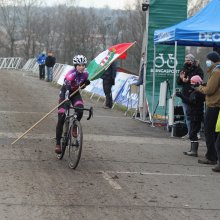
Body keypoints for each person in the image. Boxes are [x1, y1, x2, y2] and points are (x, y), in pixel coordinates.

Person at [55, 55, 90, 154]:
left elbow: (81, 86)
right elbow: (67, 90)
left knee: (80, 109)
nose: (82, 67)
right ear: (75, 65)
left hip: (75, 94)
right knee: (61, 117)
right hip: (65, 93)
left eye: (83, 65)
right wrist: (66, 100)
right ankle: (58, 143)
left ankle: (75, 125)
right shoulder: (70, 74)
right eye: (79, 65)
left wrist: (85, 84)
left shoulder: (85, 74)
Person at [196, 51, 220, 165]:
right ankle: (214, 155)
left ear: (212, 60)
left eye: (208, 59)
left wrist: (199, 88)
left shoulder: (216, 72)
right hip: (215, 104)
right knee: (213, 132)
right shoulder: (216, 71)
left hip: (214, 104)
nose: (207, 62)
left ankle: (211, 157)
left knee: (209, 131)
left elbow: (210, 90)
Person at [176, 75, 205, 157]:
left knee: (193, 133)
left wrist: (181, 96)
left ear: (197, 83)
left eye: (193, 83)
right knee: (192, 132)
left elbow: (191, 102)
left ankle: (194, 151)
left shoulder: (198, 93)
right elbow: (190, 101)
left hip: (196, 115)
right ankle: (192, 150)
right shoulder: (196, 92)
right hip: (194, 114)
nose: (191, 85)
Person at [176, 54, 204, 138]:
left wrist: (188, 80)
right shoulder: (183, 69)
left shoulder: (198, 69)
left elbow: (199, 80)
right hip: (185, 95)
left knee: (195, 116)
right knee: (187, 115)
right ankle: (189, 132)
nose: (186, 61)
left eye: (188, 60)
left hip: (195, 95)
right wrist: (181, 79)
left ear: (192, 60)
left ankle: (196, 132)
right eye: (186, 60)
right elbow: (178, 82)